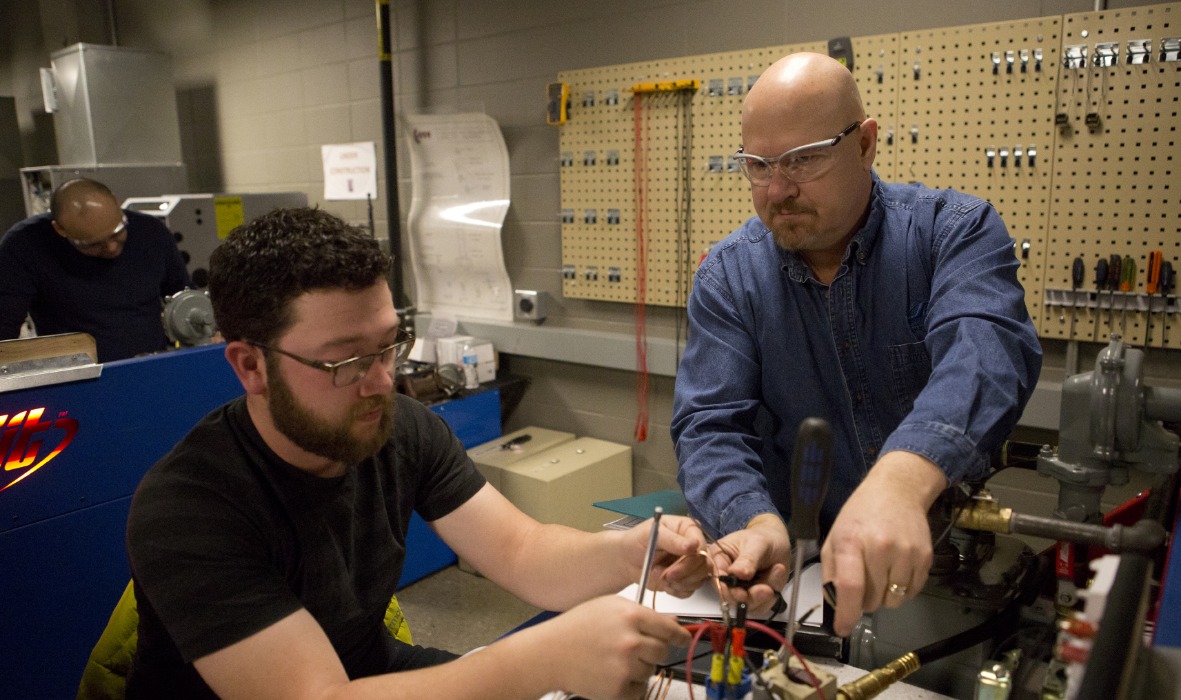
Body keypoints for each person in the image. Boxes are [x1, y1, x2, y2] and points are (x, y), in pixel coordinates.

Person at [125, 207, 708, 699]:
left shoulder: (396, 427)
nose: (381, 381)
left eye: (388, 347)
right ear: (251, 366)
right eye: (345, 361)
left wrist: (631, 555)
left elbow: (520, 550)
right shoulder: (188, 509)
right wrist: (538, 661)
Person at [671, 53, 1042, 638]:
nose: (778, 189)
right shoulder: (728, 276)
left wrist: (899, 484)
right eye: (758, 165)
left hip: (938, 558)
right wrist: (754, 520)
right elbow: (710, 424)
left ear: (866, 144)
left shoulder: (953, 232)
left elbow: (988, 353)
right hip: (796, 568)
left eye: (803, 160)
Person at [0, 178, 190, 362]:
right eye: (93, 244)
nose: (111, 248)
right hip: (76, 379)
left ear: (116, 203)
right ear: (60, 229)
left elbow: (183, 296)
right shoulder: (25, 247)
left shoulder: (151, 232)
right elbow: (4, 330)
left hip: (151, 366)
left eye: (117, 232)